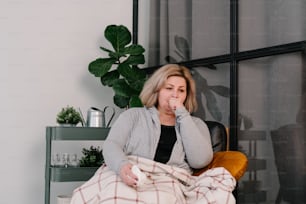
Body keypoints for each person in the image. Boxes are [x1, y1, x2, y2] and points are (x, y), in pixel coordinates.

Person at [70, 64, 236, 204]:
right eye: (169, 88)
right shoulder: (133, 115)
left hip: (168, 181)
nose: (175, 95)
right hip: (129, 173)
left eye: (181, 90)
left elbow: (200, 161)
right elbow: (112, 144)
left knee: (162, 199)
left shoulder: (195, 124)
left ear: (187, 95)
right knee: (115, 195)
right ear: (157, 90)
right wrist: (122, 167)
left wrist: (183, 115)